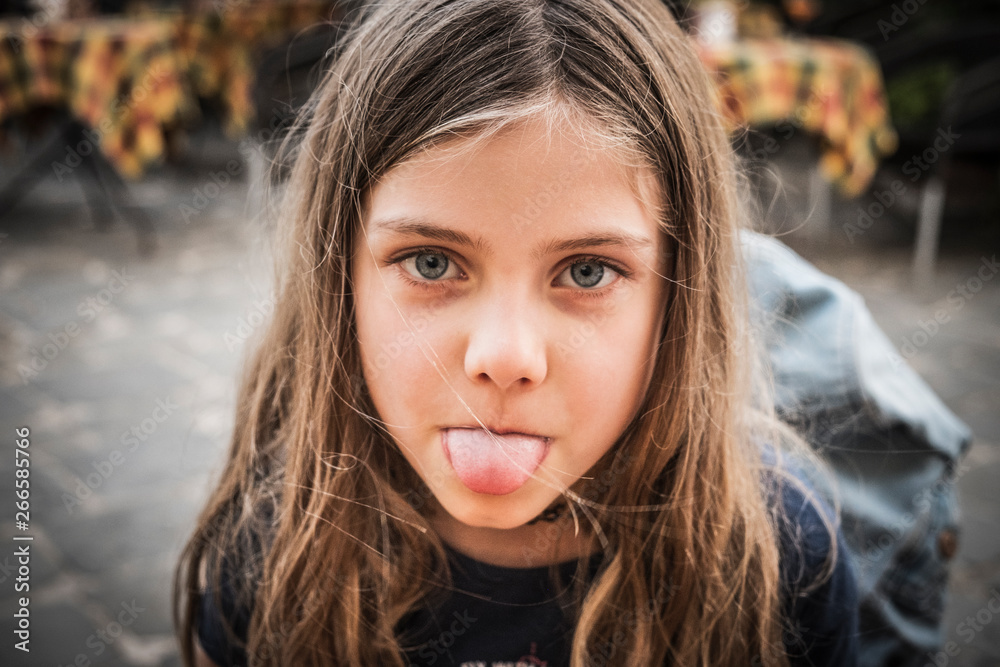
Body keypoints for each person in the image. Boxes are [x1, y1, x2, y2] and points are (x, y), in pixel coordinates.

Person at [173, 0, 861, 665]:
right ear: (339, 279)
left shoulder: (779, 563)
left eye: (588, 271)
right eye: (431, 262)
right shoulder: (276, 542)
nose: (504, 358)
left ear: (679, 297)